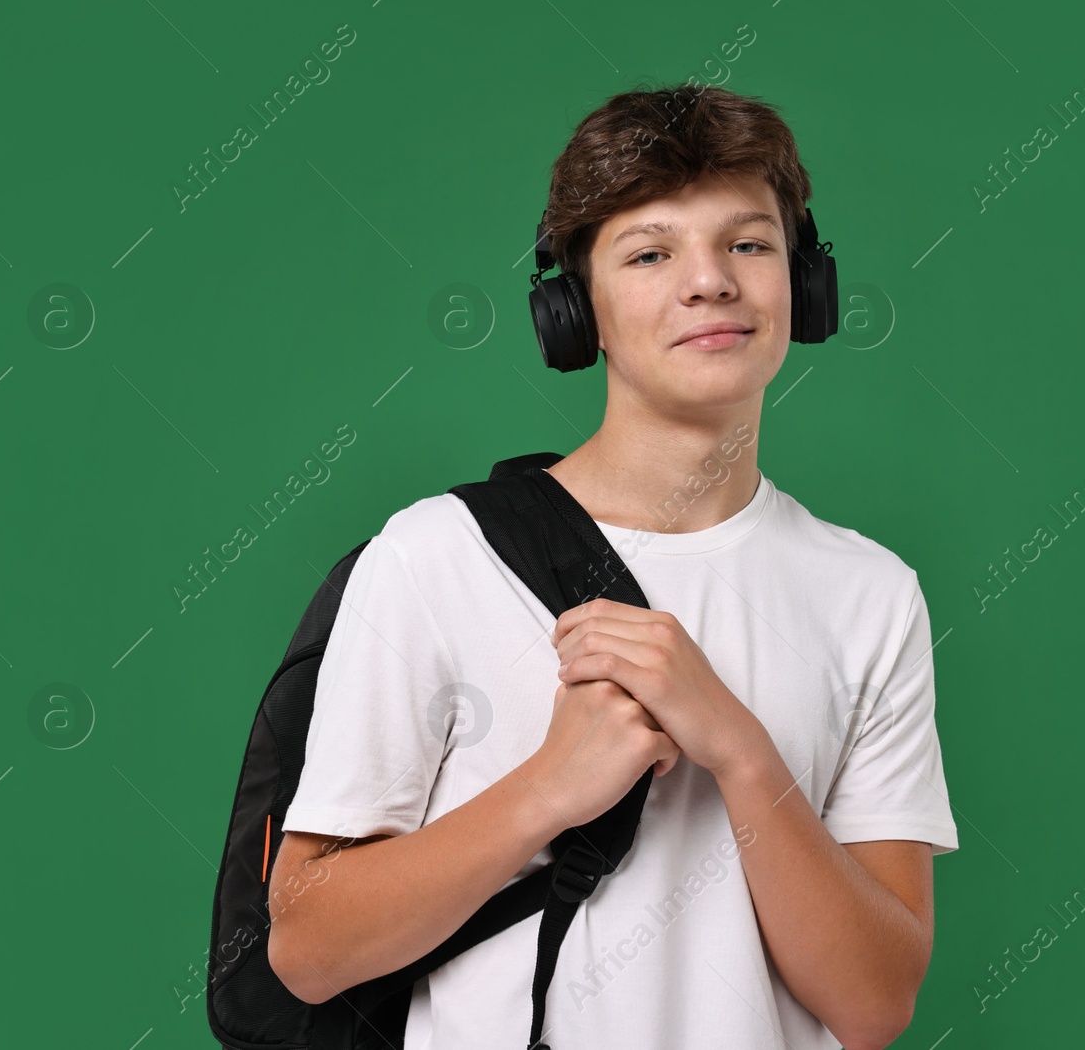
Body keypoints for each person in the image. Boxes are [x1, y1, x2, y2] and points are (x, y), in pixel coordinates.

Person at [266, 82, 958, 1050]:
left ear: (803, 285)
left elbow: (874, 1003)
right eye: (649, 252)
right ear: (573, 309)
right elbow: (307, 945)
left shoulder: (869, 592)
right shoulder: (437, 555)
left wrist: (740, 749)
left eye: (748, 244)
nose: (710, 281)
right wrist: (550, 786)